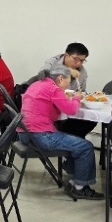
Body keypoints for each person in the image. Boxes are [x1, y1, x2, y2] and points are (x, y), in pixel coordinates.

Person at [20, 65, 103, 200]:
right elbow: (71, 110)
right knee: (85, 146)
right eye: (68, 82)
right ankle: (80, 188)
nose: (68, 85)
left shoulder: (36, 84)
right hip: (41, 135)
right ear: (60, 79)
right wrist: (77, 98)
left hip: (24, 134)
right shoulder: (54, 89)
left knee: (73, 143)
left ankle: (73, 181)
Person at [30, 43, 94, 139]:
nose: (79, 64)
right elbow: (42, 77)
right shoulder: (52, 62)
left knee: (90, 120)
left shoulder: (82, 73)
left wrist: (79, 96)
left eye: (82, 60)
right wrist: (66, 72)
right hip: (47, 107)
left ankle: (72, 140)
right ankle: (69, 141)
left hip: (65, 106)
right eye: (76, 59)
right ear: (66, 55)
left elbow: (82, 91)